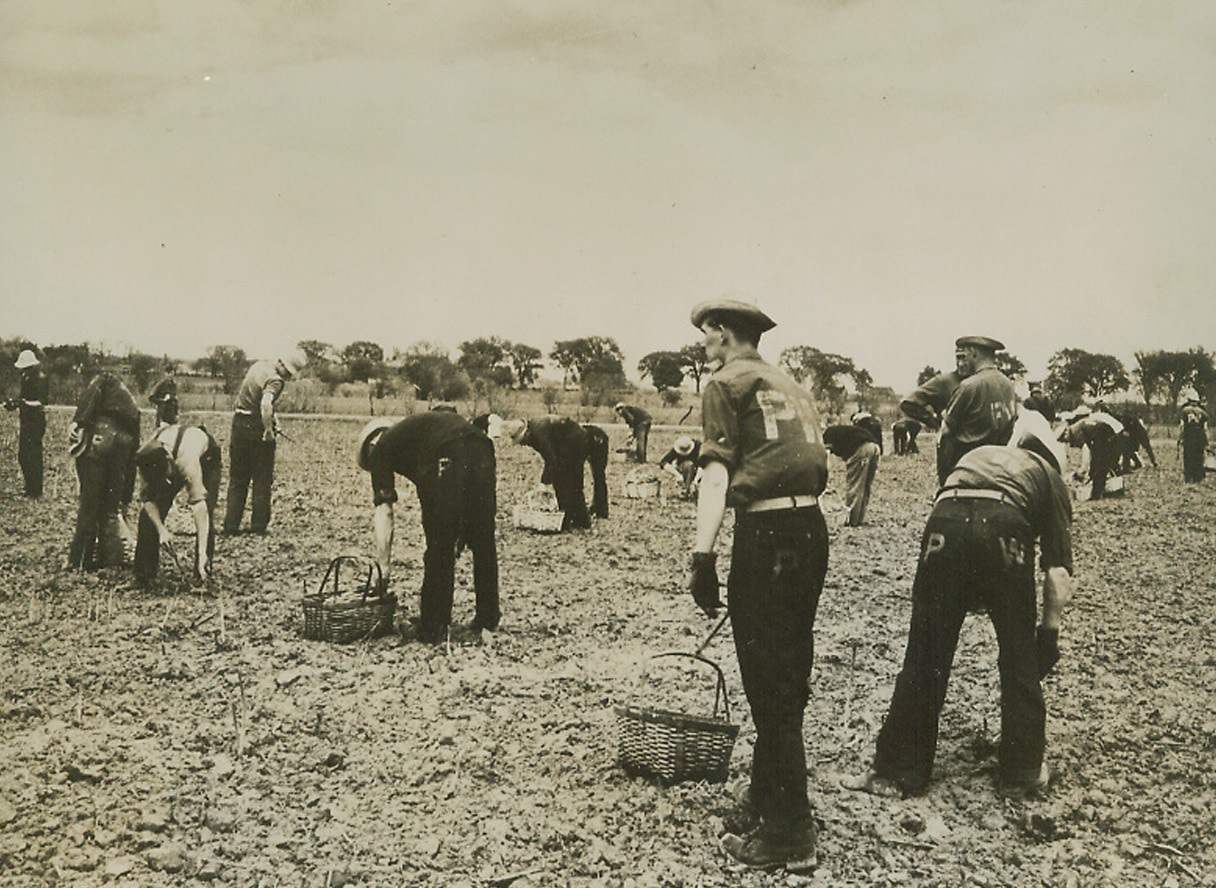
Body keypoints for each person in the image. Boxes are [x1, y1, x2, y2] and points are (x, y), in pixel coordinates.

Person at [843, 408, 1075, 801]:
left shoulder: (980, 456)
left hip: (944, 524)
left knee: (925, 653)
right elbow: (1057, 573)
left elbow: (961, 518)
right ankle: (1021, 773)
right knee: (1019, 657)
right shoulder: (1049, 478)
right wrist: (1047, 634)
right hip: (1003, 527)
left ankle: (899, 771)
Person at [686, 299, 828, 871]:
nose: (702, 345)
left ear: (723, 334)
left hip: (766, 533)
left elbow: (716, 474)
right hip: (810, 530)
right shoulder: (787, 382)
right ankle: (768, 795)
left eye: (704, 335)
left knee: (767, 679)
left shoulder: (725, 381)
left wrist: (702, 556)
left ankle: (791, 832)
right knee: (788, 672)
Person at [357, 412, 500, 644]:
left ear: (370, 446)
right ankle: (488, 617)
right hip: (482, 446)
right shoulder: (416, 434)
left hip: (447, 453)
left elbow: (385, 511)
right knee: (483, 538)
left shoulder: (382, 447)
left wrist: (383, 567)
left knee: (438, 545)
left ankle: (433, 627)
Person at [222, 352, 306, 535]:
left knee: (238, 478)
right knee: (262, 479)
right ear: (282, 364)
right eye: (289, 373)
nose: (288, 377)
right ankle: (258, 526)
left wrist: (274, 419)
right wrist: (268, 430)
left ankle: (231, 525)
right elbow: (266, 404)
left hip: (239, 424)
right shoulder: (275, 380)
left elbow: (256, 400)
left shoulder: (258, 366)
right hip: (256, 428)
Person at [67, 371, 141, 570]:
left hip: (101, 438)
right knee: (110, 507)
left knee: (90, 503)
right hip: (124, 444)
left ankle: (81, 560)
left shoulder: (103, 379)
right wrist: (126, 496)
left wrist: (78, 421)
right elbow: (134, 456)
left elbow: (92, 394)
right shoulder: (131, 405)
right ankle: (111, 558)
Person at [132, 423, 222, 584]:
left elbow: (200, 509)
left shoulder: (187, 460)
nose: (166, 482)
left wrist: (202, 552)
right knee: (148, 517)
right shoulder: (145, 458)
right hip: (171, 456)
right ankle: (143, 575)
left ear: (168, 461)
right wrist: (161, 530)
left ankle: (203, 572)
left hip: (206, 457)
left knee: (207, 510)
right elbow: (148, 500)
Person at [931, 336, 1018, 483]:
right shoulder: (1008, 384)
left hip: (966, 464)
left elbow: (946, 429)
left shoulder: (969, 386)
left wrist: (944, 414)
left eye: (965, 356)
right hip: (998, 463)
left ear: (974, 354)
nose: (962, 362)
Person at [501, 415, 609, 530]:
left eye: (522, 441)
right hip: (569, 443)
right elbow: (552, 458)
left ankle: (579, 520)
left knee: (568, 481)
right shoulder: (535, 430)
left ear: (526, 433)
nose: (523, 445)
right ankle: (571, 517)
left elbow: (551, 458)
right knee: (562, 480)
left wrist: (543, 483)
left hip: (575, 443)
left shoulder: (539, 434)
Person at [6, 349, 48, 497]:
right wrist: (15, 404)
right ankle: (30, 487)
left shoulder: (40, 379)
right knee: (24, 455)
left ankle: (35, 490)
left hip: (35, 421)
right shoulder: (27, 377)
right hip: (27, 421)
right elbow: (25, 400)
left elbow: (40, 402)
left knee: (32, 455)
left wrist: (20, 403)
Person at [1059, 405, 1122, 500]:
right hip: (1105, 436)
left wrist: (1082, 470)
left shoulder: (1076, 432)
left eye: (1065, 440)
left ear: (1066, 433)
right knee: (1098, 464)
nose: (1068, 442)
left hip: (1105, 437)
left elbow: (1086, 451)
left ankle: (1096, 494)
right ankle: (1100, 489)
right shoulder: (1079, 426)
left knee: (1101, 464)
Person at [822, 423, 880, 526]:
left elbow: (828, 449)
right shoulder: (839, 430)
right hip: (875, 447)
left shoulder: (827, 435)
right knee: (865, 485)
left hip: (862, 449)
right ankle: (859, 518)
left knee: (854, 485)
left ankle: (851, 520)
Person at [1178, 393, 1209, 483]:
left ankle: (1188, 477)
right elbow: (1205, 428)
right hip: (1199, 437)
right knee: (1199, 457)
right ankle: (1197, 477)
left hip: (1189, 436)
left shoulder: (1185, 410)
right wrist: (1206, 441)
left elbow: (1182, 426)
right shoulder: (1203, 413)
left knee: (1188, 456)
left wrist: (1180, 437)